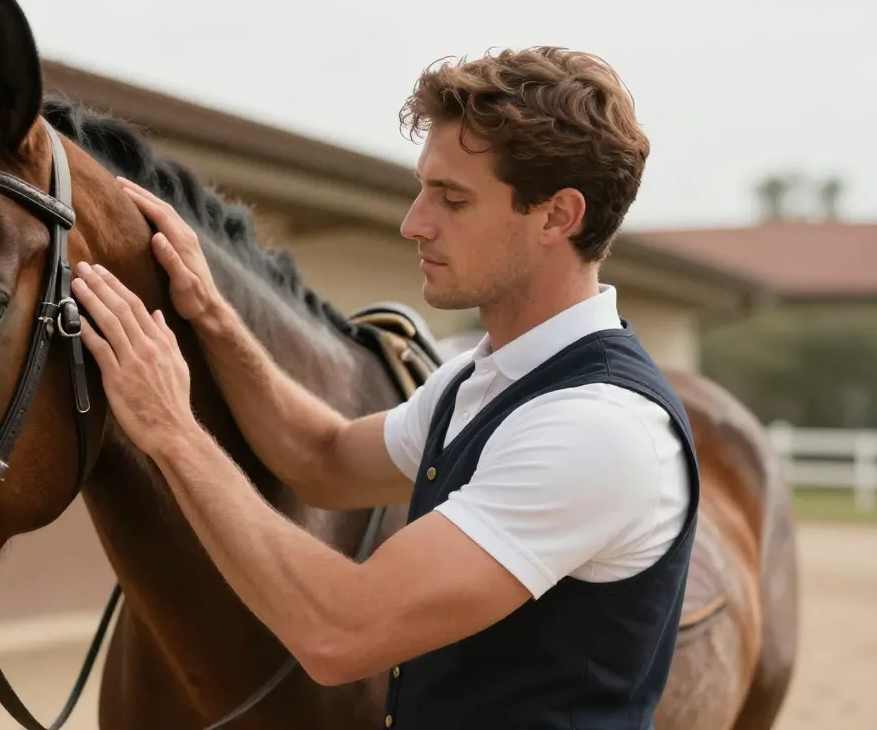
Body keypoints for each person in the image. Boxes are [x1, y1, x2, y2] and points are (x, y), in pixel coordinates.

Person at [69, 46, 699, 729]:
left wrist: (171, 431)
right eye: (424, 188)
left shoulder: (596, 429)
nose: (414, 223)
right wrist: (215, 317)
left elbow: (341, 632)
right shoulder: (482, 378)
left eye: (452, 199)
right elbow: (324, 459)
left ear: (556, 217)